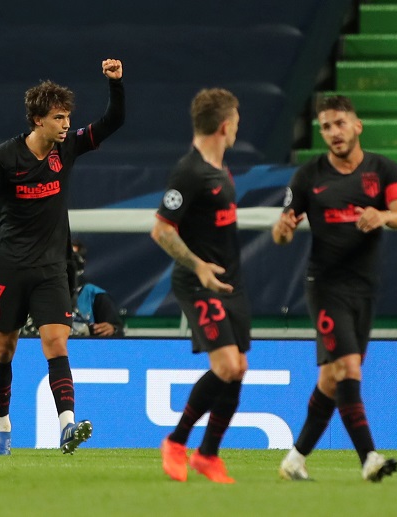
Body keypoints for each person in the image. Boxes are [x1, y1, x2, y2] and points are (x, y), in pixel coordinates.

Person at [0, 59, 125, 455]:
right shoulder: (7, 154)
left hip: (52, 267)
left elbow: (113, 121)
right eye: (58, 118)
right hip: (10, 265)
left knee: (56, 342)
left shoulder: (67, 148)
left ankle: (67, 427)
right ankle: (2, 429)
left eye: (68, 117)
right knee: (4, 350)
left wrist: (116, 84)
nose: (67, 125)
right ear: (38, 120)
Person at [273, 95, 397, 482]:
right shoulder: (308, 175)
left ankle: (295, 459)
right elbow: (283, 232)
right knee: (348, 368)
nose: (334, 132)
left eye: (340, 123)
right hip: (325, 286)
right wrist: (283, 230)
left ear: (357, 126)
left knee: (333, 378)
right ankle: (370, 458)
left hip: (365, 288)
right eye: (326, 126)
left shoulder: (382, 169)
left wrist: (382, 214)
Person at [151, 88, 247, 484]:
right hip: (197, 282)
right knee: (225, 366)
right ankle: (176, 442)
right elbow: (161, 230)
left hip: (229, 283)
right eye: (236, 122)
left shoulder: (220, 169)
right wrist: (199, 267)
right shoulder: (188, 172)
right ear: (224, 126)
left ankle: (208, 455)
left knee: (238, 369)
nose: (238, 128)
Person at [22, 239, 125, 337]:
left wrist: (113, 329)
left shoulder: (96, 295)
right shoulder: (35, 292)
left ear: (82, 263)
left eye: (73, 259)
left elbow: (118, 331)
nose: (67, 264)